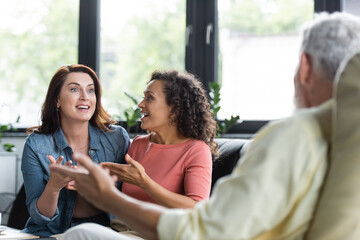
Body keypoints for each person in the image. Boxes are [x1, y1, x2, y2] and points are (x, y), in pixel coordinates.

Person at [51, 12, 360, 240]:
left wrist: (114, 196)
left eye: (150, 98)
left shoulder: (292, 138)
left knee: (84, 236)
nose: (140, 105)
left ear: (304, 67)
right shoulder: (342, 145)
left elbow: (205, 227)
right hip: (127, 230)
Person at [21, 64, 130, 236]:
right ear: (57, 99)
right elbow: (40, 217)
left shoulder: (116, 138)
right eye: (74, 89)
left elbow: (130, 199)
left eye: (91, 90)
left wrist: (97, 188)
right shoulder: (36, 144)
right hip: (54, 232)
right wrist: (54, 186)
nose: (85, 97)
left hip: (107, 228)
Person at [102, 70, 217, 210]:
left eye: (149, 98)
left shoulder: (196, 150)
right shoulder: (139, 144)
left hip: (161, 231)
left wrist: (144, 183)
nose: (141, 104)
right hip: (123, 227)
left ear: (174, 109)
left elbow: (196, 207)